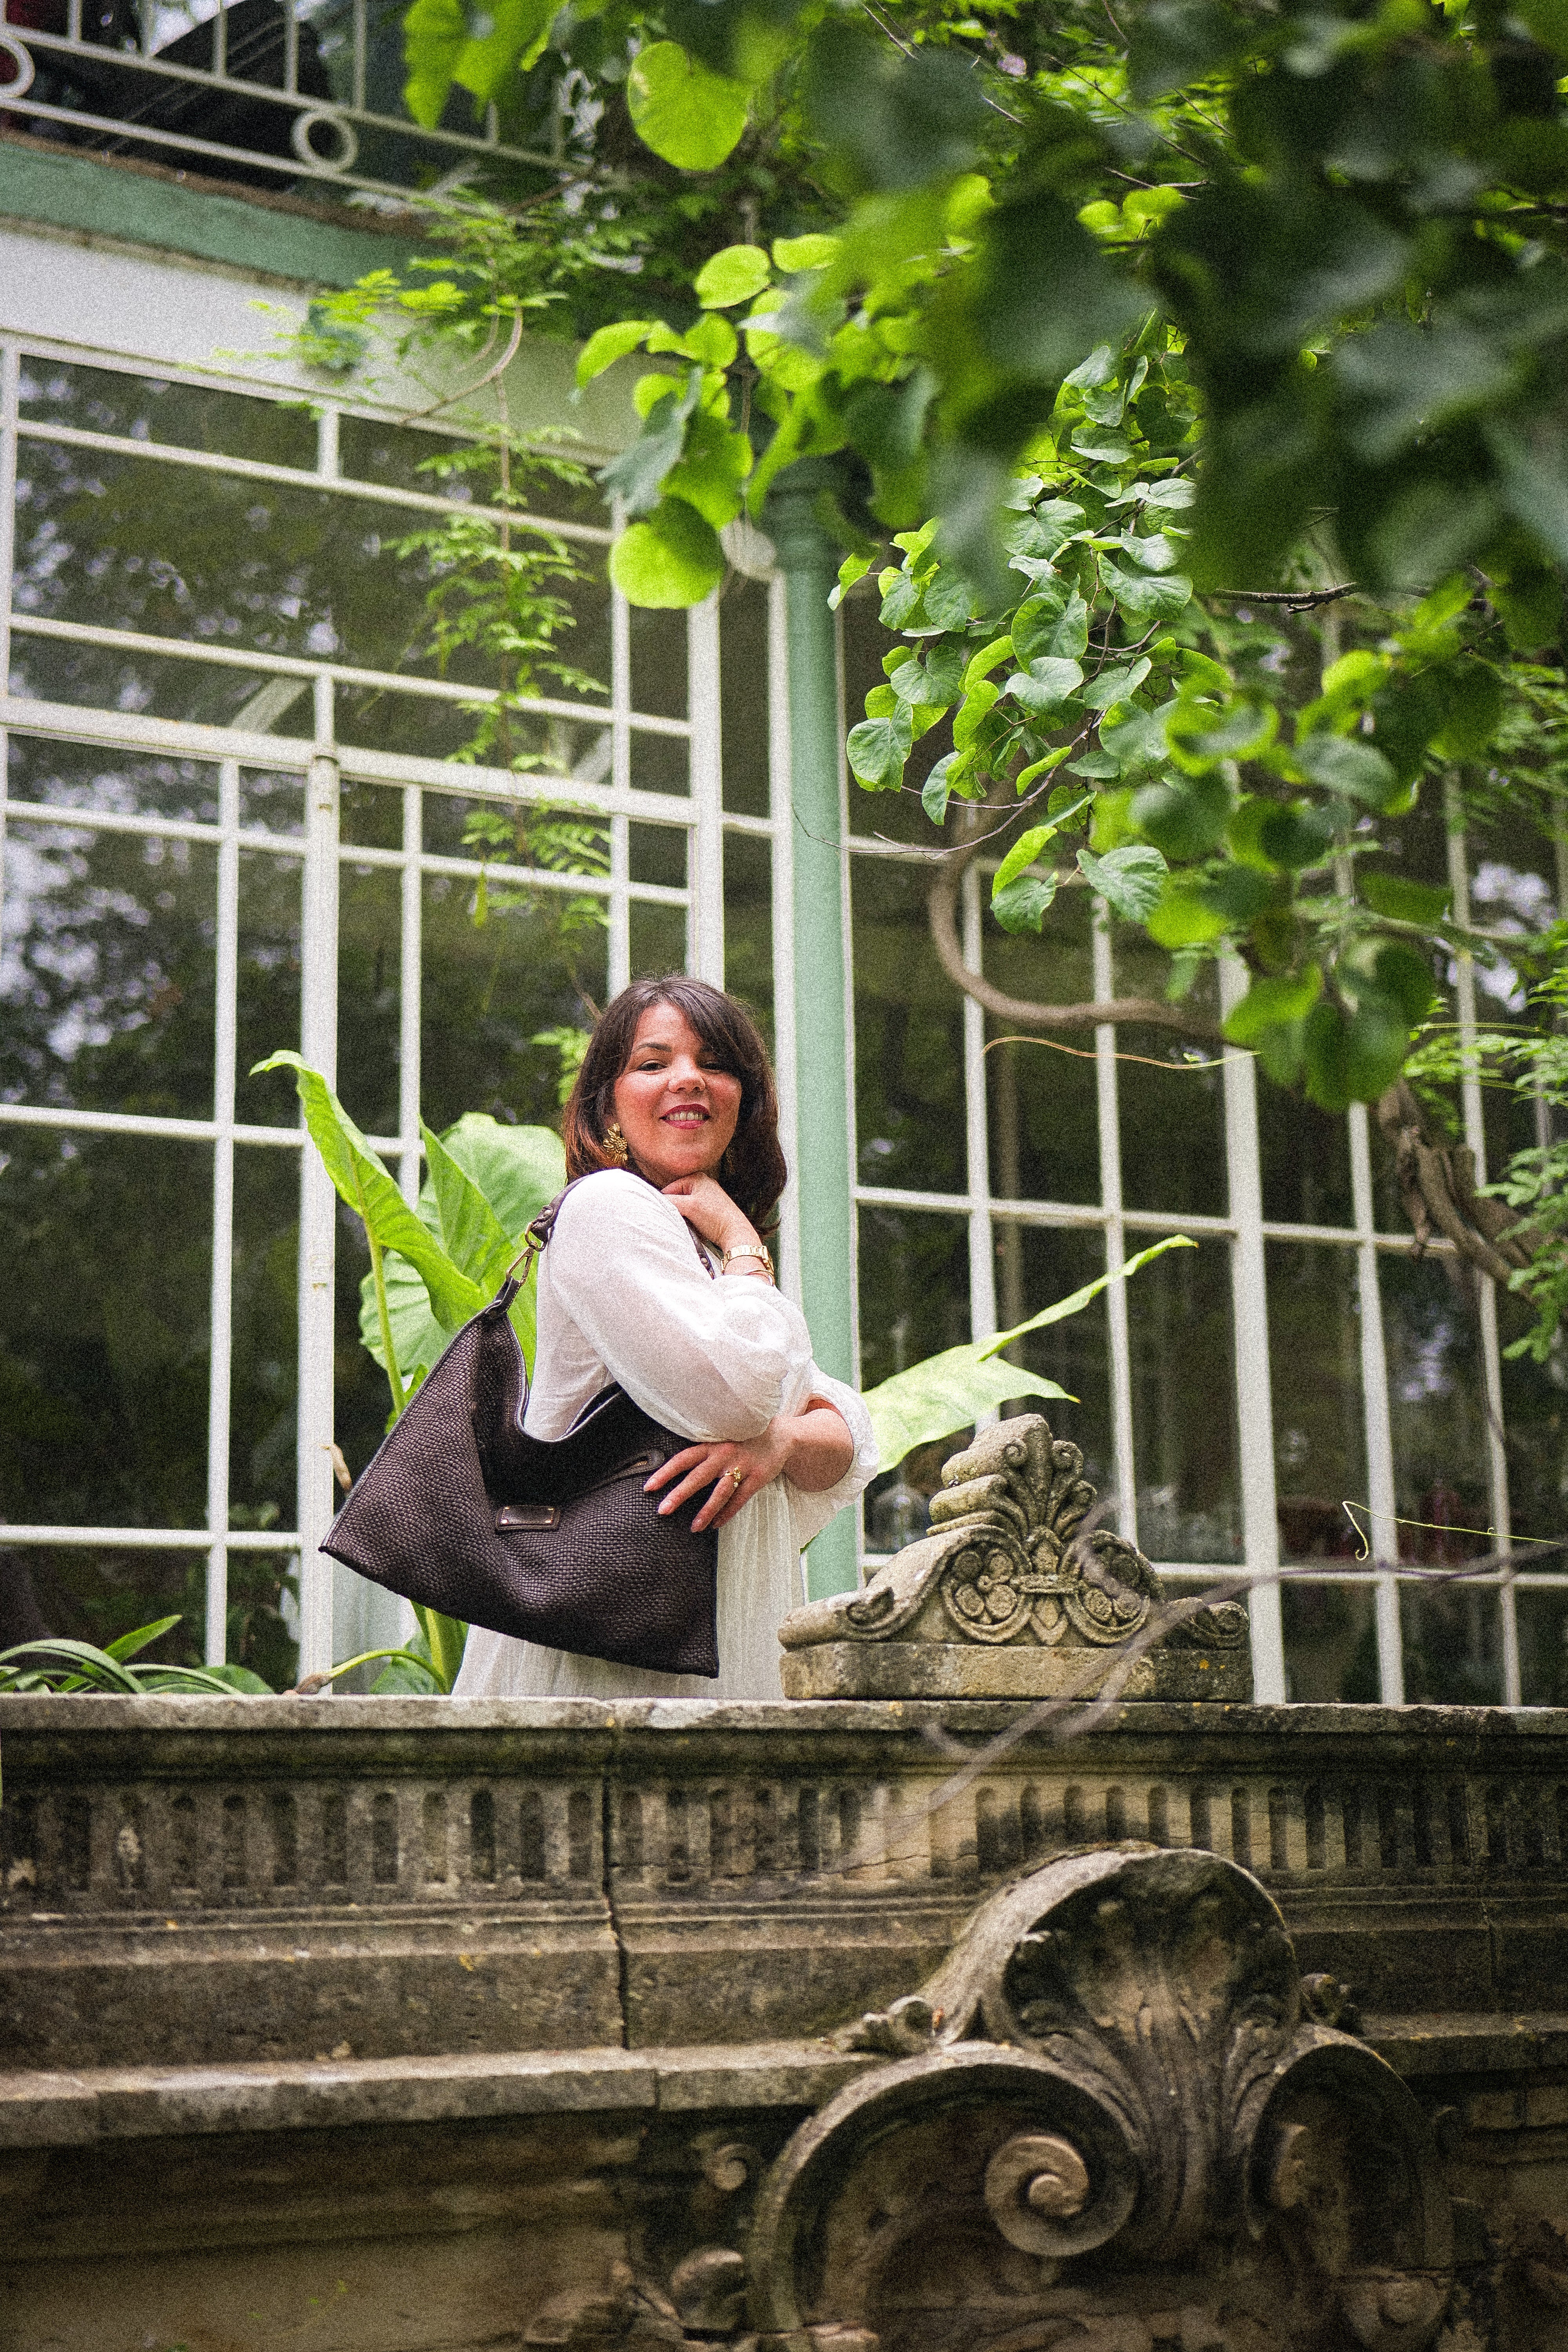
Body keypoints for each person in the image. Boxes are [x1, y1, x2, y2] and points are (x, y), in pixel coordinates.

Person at [454, 976, 878, 1701]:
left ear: (743, 1098)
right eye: (653, 1064)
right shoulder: (607, 1209)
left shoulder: (707, 1254)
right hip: (610, 1660)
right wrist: (748, 1245)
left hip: (720, 1637)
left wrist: (778, 1445)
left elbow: (848, 1439)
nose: (688, 1079)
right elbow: (740, 1397)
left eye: (715, 1062)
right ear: (607, 1104)